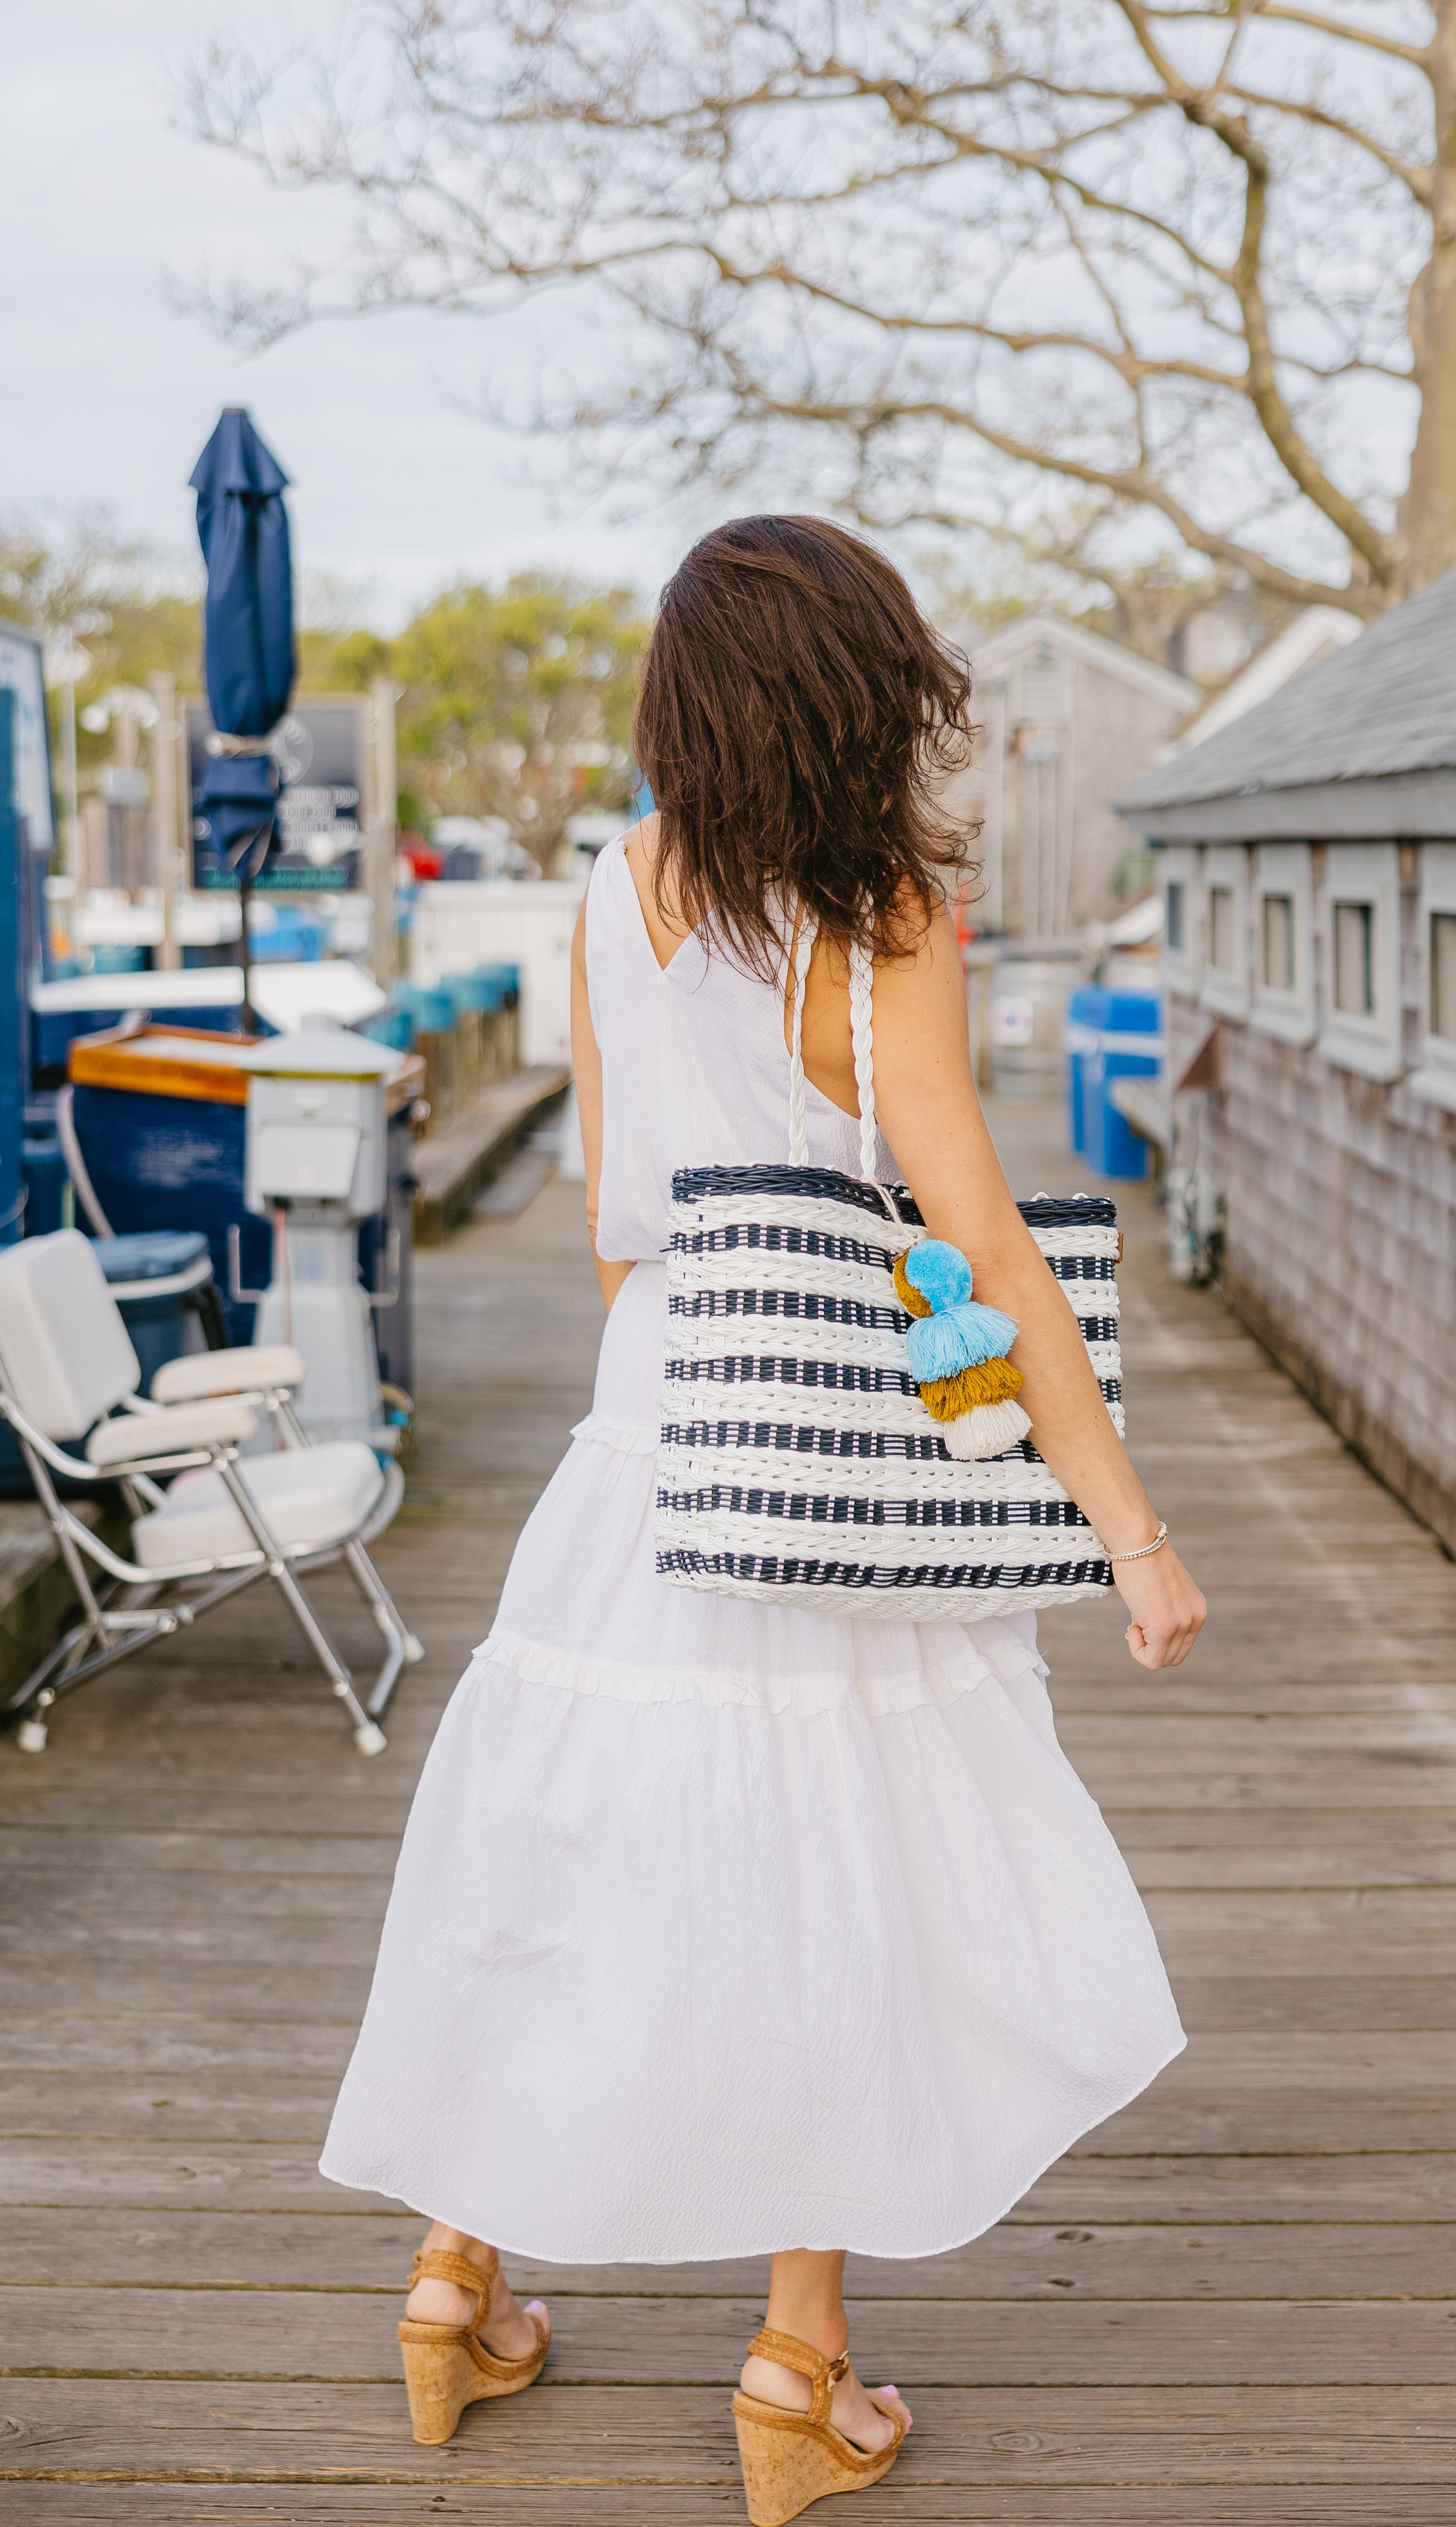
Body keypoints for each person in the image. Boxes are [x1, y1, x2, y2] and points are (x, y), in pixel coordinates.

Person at [320, 515, 1205, 2525]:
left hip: (645, 1434)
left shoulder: (605, 891)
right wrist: (1126, 1529)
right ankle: (794, 2371)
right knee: (836, 1890)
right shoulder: (874, 914)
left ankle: (455, 2282)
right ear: (855, 694)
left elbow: (609, 1215)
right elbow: (972, 1230)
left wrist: (681, 1363)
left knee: (560, 1851)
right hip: (824, 1454)